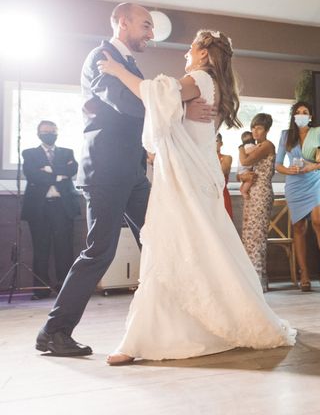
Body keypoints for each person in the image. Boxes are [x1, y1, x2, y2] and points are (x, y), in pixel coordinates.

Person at [98, 30, 296, 364]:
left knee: (180, 244)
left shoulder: (199, 78)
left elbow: (156, 95)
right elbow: (169, 107)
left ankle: (143, 340)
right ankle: (164, 331)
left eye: (190, 49)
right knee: (200, 245)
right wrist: (178, 112)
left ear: (204, 53)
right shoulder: (213, 83)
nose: (185, 55)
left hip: (188, 179)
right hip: (200, 175)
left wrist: (117, 71)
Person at [35, 3, 216, 357]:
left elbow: (142, 102)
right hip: (105, 171)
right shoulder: (100, 57)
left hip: (131, 172)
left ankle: (177, 324)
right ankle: (53, 332)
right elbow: (125, 103)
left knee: (160, 239)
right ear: (122, 23)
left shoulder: (128, 64)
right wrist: (181, 109)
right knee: (99, 252)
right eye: (146, 25)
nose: (151, 33)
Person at [275, 102, 320, 292]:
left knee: (319, 222)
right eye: (298, 112)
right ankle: (304, 274)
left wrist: (314, 166)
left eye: (305, 112)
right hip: (294, 184)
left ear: (310, 117)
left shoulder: (319, 132)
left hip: (315, 181)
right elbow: (278, 164)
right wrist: (289, 170)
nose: (301, 115)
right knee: (299, 227)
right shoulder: (286, 135)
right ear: (293, 116)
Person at [21, 121, 80, 300]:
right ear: (38, 133)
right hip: (39, 208)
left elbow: (73, 170)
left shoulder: (67, 152)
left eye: (53, 131)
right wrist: (60, 175)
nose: (49, 134)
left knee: (64, 248)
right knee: (41, 249)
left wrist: (48, 171)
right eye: (46, 131)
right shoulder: (29, 153)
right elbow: (32, 174)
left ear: (57, 133)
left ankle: (65, 288)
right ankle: (40, 289)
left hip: (63, 207)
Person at [238, 113, 276, 290]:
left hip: (261, 192)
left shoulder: (267, 145)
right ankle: (251, 278)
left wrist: (240, 147)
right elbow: (244, 171)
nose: (255, 131)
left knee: (257, 236)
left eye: (259, 127)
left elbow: (245, 160)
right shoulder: (256, 146)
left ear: (267, 130)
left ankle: (258, 279)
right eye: (253, 127)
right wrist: (242, 176)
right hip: (252, 192)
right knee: (248, 235)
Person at [216, 133, 233, 218]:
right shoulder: (201, 159)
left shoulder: (227, 158)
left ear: (221, 143)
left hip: (222, 194)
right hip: (206, 196)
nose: (213, 143)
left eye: (216, 141)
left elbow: (222, 171)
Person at [237, 130, 257, 199]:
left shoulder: (244, 146)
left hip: (242, 169)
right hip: (244, 168)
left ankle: (242, 188)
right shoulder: (250, 145)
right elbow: (247, 151)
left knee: (246, 180)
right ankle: (244, 191)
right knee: (249, 179)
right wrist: (256, 147)